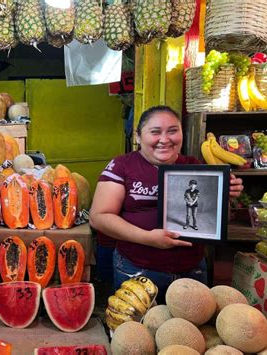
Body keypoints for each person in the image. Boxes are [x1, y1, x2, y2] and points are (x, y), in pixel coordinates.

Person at [89, 105, 243, 303]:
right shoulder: (122, 166)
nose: (165, 139)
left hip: (191, 270)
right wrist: (148, 238)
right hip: (137, 269)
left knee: (187, 331)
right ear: (138, 136)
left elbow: (215, 219)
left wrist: (225, 197)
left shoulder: (195, 166)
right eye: (155, 132)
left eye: (173, 131)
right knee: (137, 332)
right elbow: (99, 217)